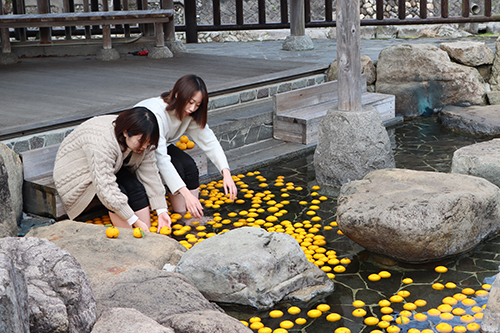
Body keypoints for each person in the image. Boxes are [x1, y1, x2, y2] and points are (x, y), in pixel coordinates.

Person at [134, 74, 237, 219]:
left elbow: (209, 141)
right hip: (142, 147)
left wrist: (226, 173)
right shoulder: (157, 112)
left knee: (189, 166)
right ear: (177, 94)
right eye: (190, 102)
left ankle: (194, 213)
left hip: (162, 144)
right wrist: (186, 194)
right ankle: (181, 216)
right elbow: (162, 160)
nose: (192, 108)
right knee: (177, 167)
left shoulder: (189, 113)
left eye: (197, 105)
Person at [53, 107, 171, 231]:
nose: (145, 146)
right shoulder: (103, 142)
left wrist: (161, 211)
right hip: (76, 172)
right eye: (141, 141)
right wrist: (134, 221)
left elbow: (150, 172)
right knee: (118, 192)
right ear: (126, 132)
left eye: (148, 143)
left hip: (110, 166)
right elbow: (106, 188)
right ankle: (129, 241)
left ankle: (147, 236)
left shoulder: (144, 138)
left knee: (135, 188)